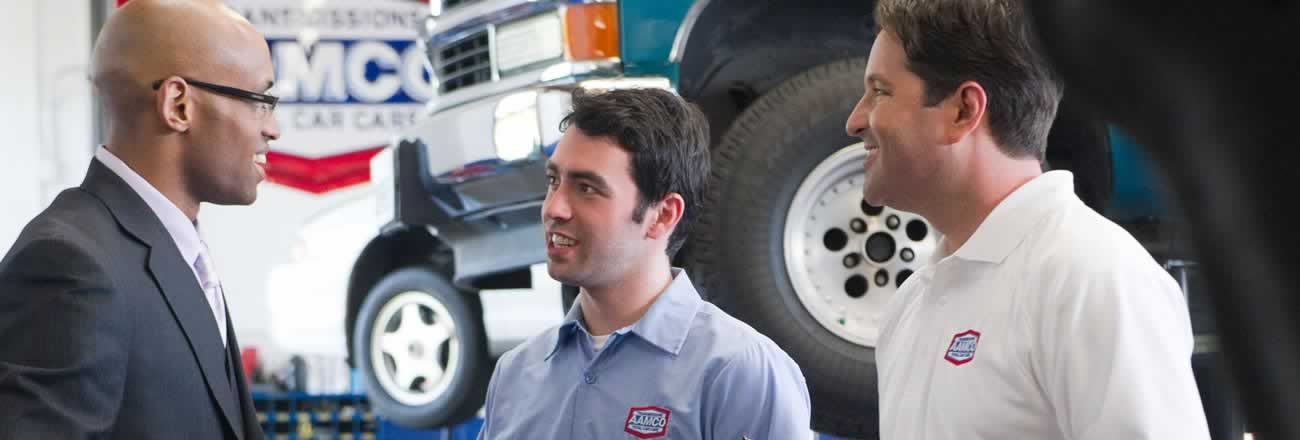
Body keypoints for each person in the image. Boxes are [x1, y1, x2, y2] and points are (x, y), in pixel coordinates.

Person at [845, 0, 1212, 438]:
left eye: (881, 91)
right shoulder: (910, 306)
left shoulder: (1095, 280)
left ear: (963, 111)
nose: (855, 120)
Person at [0, 0, 279, 438]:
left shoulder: (176, 254)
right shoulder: (72, 265)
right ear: (179, 105)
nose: (273, 128)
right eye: (259, 101)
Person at [477, 87, 813, 439]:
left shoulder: (739, 373)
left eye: (587, 188)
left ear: (663, 215)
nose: (553, 208)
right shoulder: (514, 376)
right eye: (553, 181)